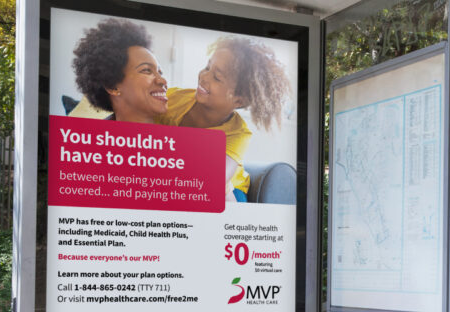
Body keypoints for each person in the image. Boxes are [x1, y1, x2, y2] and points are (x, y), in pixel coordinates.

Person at [155, 36, 291, 202]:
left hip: (231, 189)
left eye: (217, 77)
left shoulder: (237, 133)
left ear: (238, 99)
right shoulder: (174, 98)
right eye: (207, 67)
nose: (204, 77)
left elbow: (216, 180)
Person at [70, 19, 167, 123]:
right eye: (147, 70)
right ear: (112, 86)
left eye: (160, 72)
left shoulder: (176, 130)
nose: (162, 81)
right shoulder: (91, 136)